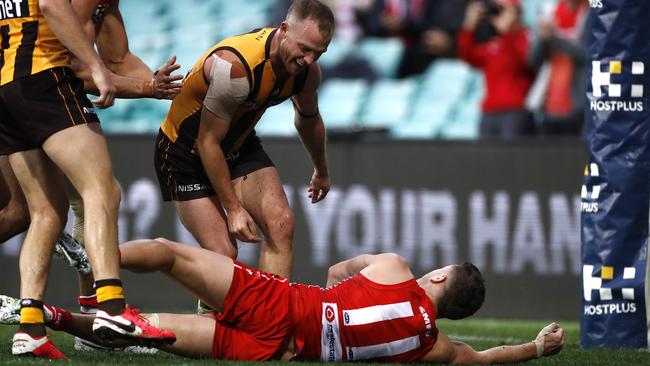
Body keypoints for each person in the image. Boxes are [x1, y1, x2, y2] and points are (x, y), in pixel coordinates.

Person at [1, 238, 565, 363]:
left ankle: (94, 259)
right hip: (278, 353)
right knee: (155, 331)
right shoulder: (434, 348)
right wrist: (537, 349)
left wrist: (336, 290)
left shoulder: (396, 269)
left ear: (438, 278)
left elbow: (342, 269)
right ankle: (52, 318)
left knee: (173, 256)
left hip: (284, 303)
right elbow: (484, 359)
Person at [0, 0, 176, 359]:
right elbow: (55, 12)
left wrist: (148, 84)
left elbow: (119, 57)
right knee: (101, 191)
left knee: (46, 212)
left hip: (7, 86)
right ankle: (110, 309)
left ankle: (30, 326)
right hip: (46, 78)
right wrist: (97, 67)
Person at [154, 0, 333, 279]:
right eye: (305, 49)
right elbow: (207, 142)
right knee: (225, 254)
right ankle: (210, 317)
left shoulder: (307, 73)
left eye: (318, 53)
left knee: (281, 224)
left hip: (236, 143)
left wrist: (321, 170)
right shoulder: (236, 66)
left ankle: (270, 319)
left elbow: (308, 120)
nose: (309, 60)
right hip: (185, 152)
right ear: (283, 29)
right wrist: (233, 208)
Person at [457, 0, 536, 139]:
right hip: (490, 110)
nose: (500, 15)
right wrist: (469, 26)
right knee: (487, 158)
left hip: (515, 110)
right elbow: (468, 56)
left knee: (511, 157)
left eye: (503, 10)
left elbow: (524, 62)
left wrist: (507, 33)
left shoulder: (527, 36)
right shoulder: (495, 43)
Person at [527, 0, 588, 136]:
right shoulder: (550, 12)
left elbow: (589, 55)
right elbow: (533, 60)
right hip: (549, 108)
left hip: (577, 107)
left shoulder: (590, 13)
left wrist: (555, 39)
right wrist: (543, 38)